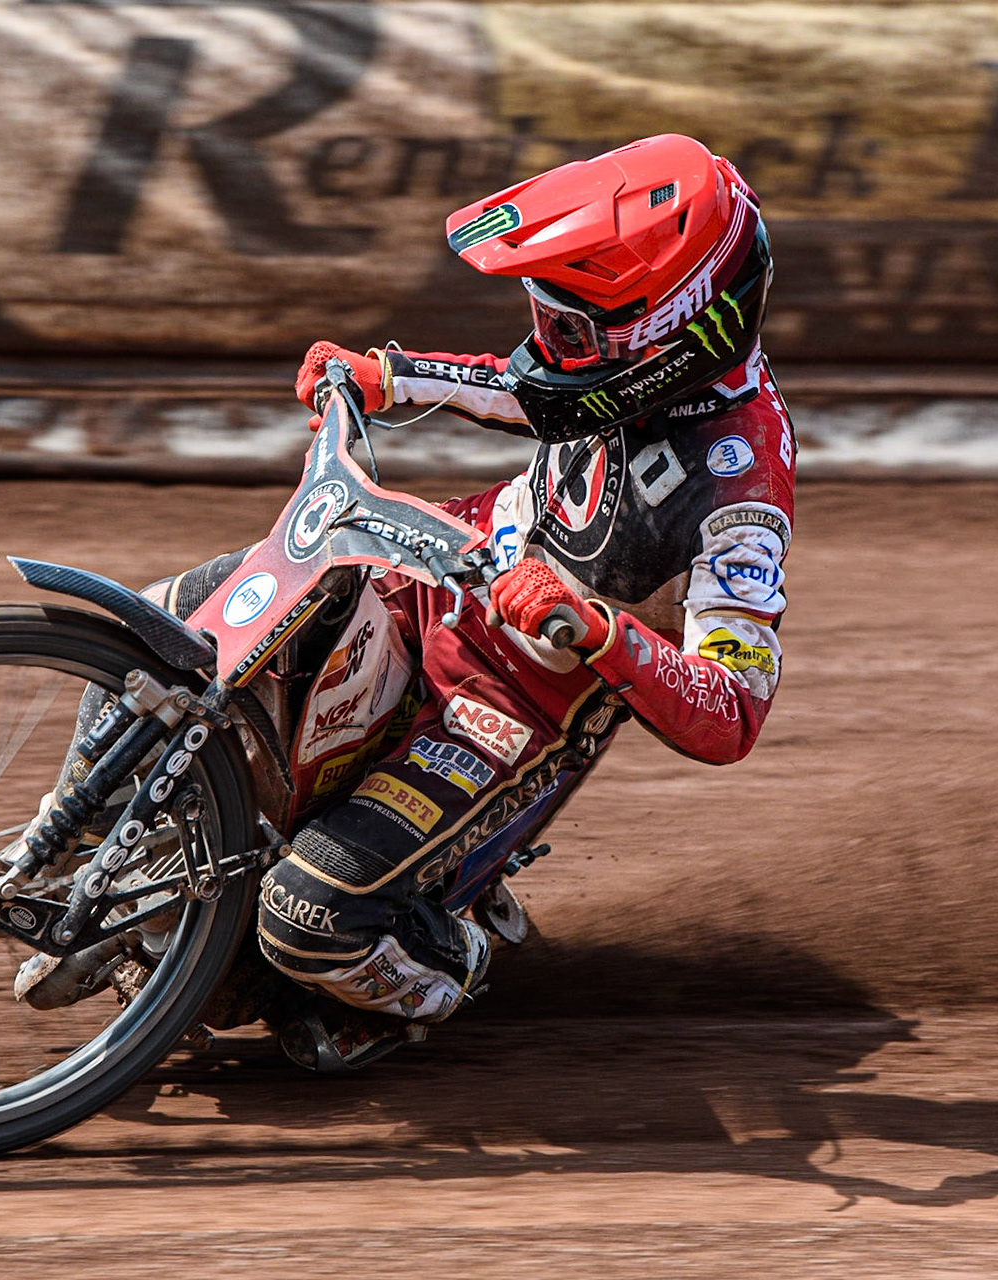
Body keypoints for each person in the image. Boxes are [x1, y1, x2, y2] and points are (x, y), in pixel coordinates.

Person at [136, 133, 798, 1071]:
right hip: (428, 572)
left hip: (511, 707)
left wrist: (598, 628)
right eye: (546, 316)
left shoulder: (742, 492)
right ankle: (74, 831)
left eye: (572, 331)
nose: (547, 347)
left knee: (304, 921)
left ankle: (458, 956)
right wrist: (389, 376)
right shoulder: (620, 373)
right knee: (165, 623)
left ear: (674, 340)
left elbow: (733, 712)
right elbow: (534, 392)